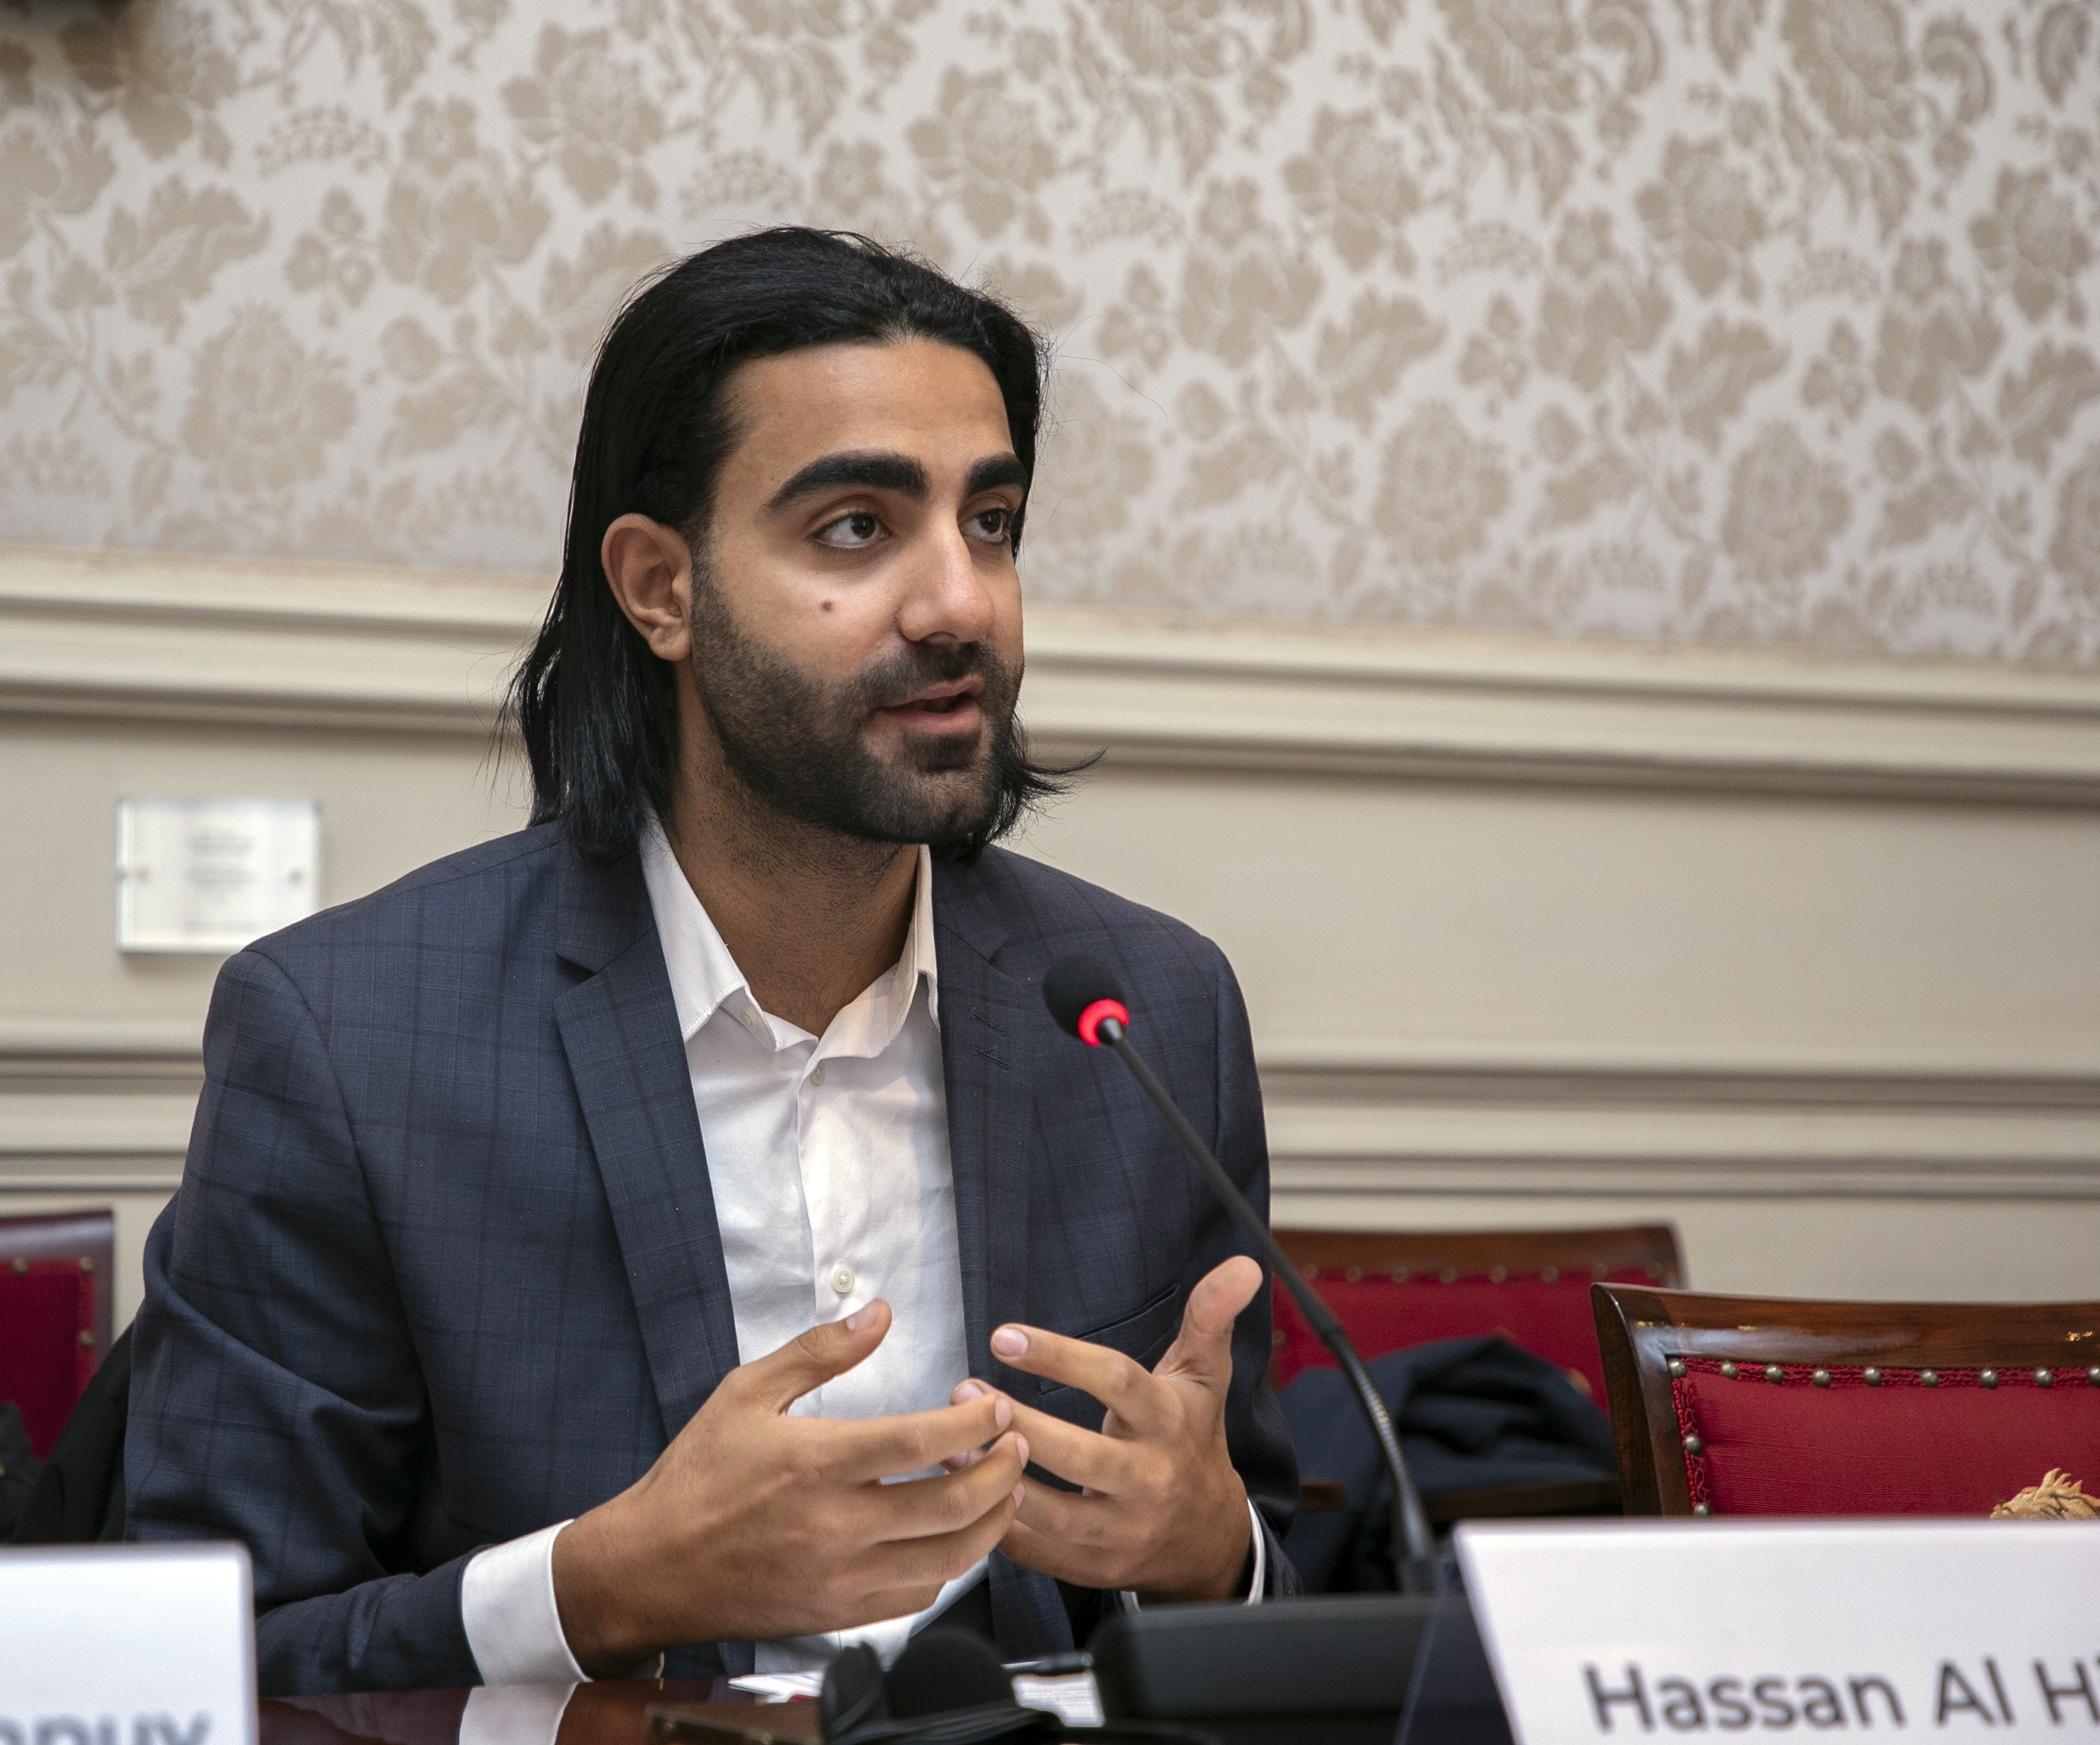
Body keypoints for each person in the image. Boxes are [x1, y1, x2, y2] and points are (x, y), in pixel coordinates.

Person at [126, 228, 1297, 1695]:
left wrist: (1211, 1549)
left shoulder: (1145, 1014)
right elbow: (200, 1659)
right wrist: (597, 1586)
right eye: (857, 529)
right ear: (657, 589)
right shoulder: (351, 1038)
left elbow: (1282, 1562)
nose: (960, 604)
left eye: (989, 521)